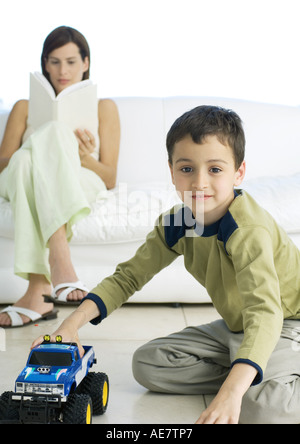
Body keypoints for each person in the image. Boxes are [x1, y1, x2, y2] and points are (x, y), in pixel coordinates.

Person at [32, 105, 300, 424]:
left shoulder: (247, 230)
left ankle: (248, 376)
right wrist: (71, 324)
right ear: (172, 170)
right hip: (237, 328)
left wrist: (230, 394)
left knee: (261, 410)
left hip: (285, 323)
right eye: (187, 169)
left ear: (238, 172)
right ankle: (247, 369)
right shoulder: (177, 223)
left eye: (215, 169)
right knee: (149, 364)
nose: (199, 183)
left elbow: (264, 312)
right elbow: (127, 277)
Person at [0, 26, 120, 328]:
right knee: (29, 158)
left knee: (32, 160)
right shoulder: (24, 107)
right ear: (44, 64)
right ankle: (60, 261)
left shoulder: (105, 108)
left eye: (70, 61)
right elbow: (4, 165)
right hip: (17, 176)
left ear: (86, 62)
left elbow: (109, 178)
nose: (62, 70)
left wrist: (81, 157)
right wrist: (36, 146)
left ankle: (37, 290)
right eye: (54, 61)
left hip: (80, 177)